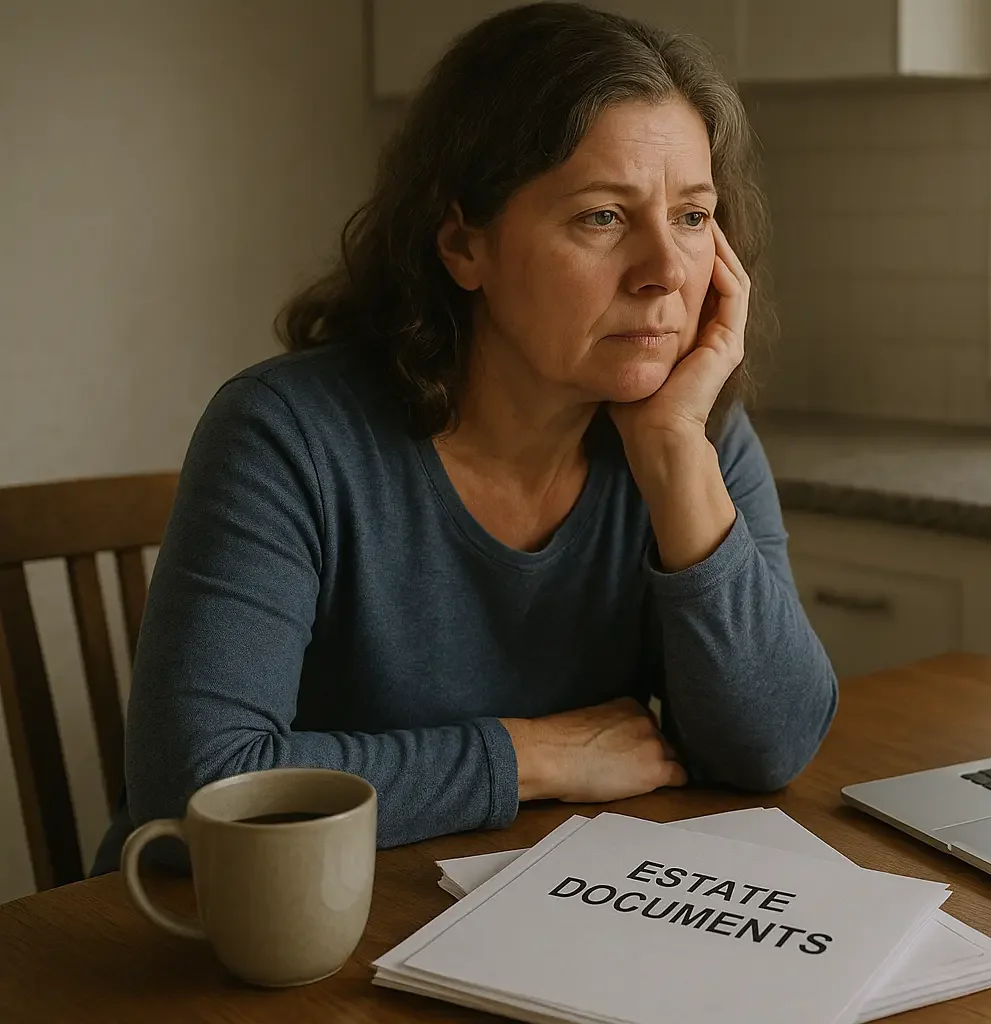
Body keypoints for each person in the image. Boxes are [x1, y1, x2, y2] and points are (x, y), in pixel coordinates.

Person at [92, 2, 838, 873]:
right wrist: (534, 755)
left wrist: (676, 458)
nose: (667, 271)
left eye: (692, 216)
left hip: (516, 911)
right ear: (462, 243)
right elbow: (198, 789)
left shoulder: (694, 430)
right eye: (602, 216)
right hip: (226, 950)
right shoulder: (284, 434)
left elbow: (773, 748)